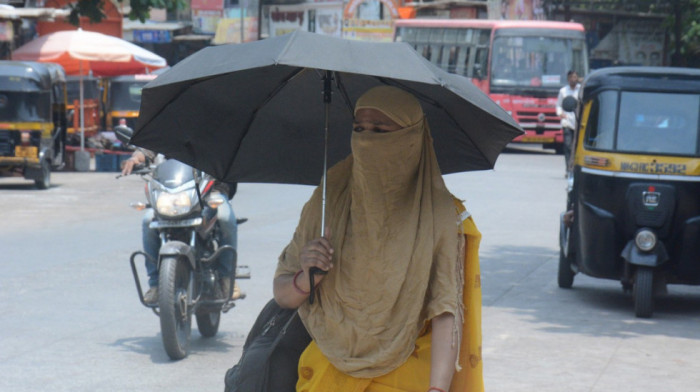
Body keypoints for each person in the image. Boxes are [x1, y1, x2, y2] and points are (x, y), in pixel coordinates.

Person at [273, 86, 483, 392]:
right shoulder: (330, 199)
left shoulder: (441, 214)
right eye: (359, 129)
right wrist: (306, 278)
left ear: (411, 139)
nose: (366, 139)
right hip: (328, 370)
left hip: (406, 374)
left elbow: (445, 310)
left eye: (380, 131)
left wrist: (438, 389)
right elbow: (282, 295)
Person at [121, 149, 242, 304]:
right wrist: (135, 158)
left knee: (226, 218)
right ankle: (156, 285)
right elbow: (149, 147)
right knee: (148, 221)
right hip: (177, 191)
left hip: (212, 190)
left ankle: (227, 277)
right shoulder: (173, 127)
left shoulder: (218, 129)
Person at [556, 70, 581, 175]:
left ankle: (575, 168)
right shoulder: (563, 91)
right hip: (567, 122)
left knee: (577, 148)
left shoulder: (581, 90)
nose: (573, 79)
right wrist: (560, 114)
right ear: (568, 79)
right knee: (568, 146)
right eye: (571, 78)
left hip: (578, 123)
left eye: (575, 77)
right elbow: (558, 105)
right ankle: (568, 169)